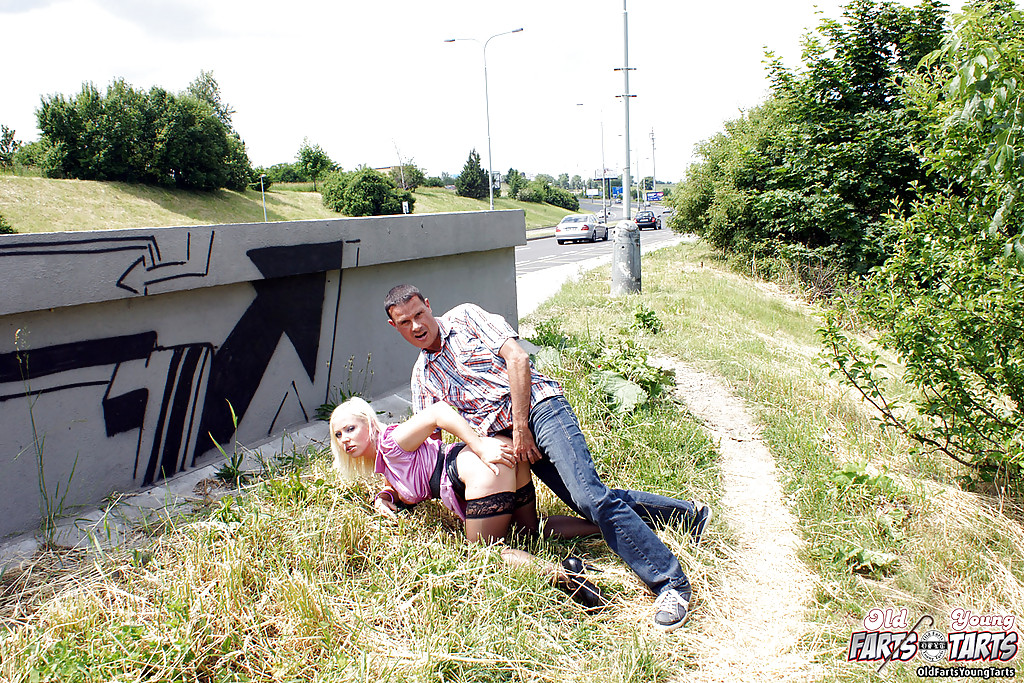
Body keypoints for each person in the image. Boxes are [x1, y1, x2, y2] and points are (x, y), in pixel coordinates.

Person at [384, 284, 712, 632]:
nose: (416, 326)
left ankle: (670, 584)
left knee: (589, 497)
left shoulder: (465, 317)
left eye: (419, 314)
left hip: (540, 409)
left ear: (428, 305)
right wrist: (391, 492)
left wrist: (521, 426)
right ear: (395, 327)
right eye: (405, 322)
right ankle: (689, 515)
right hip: (513, 440)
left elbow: (518, 358)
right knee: (588, 499)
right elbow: (426, 451)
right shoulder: (423, 376)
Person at [328, 396, 605, 608]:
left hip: (479, 466)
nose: (345, 440)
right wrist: (384, 497)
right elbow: (398, 487)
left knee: (487, 552)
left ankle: (568, 576)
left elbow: (437, 412)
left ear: (369, 423)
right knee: (528, 531)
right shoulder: (387, 457)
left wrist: (479, 445)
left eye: (351, 428)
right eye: (338, 435)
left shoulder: (393, 442)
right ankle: (606, 527)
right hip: (502, 457)